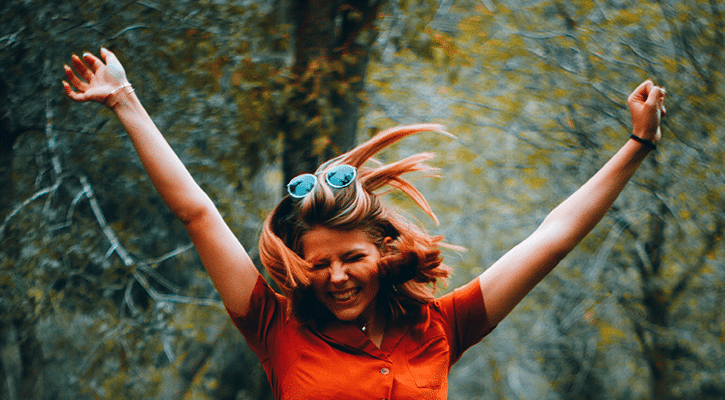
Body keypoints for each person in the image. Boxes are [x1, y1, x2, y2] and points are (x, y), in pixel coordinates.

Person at [63, 48, 666, 399]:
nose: (336, 278)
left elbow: (552, 237)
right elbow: (197, 212)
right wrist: (125, 101)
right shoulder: (275, 325)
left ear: (384, 250)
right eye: (318, 264)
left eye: (351, 258)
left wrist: (638, 143)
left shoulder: (442, 327)